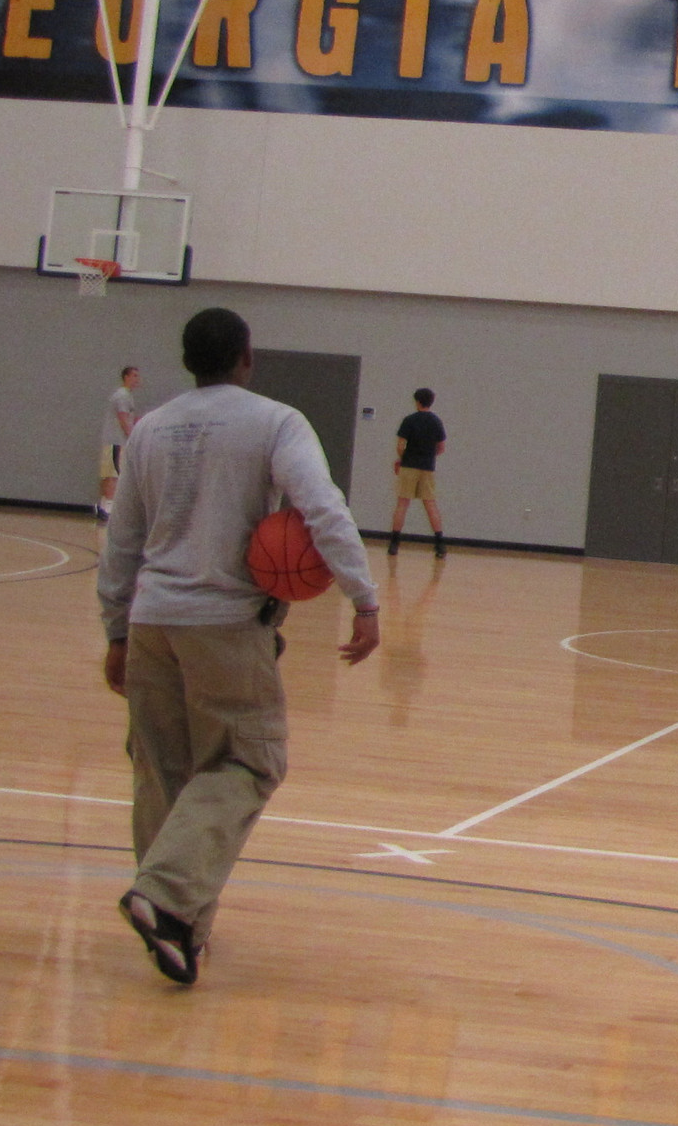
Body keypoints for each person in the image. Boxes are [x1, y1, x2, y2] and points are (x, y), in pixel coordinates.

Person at [98, 307, 378, 986]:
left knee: (163, 771)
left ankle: (180, 931)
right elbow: (322, 507)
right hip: (224, 621)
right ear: (246, 358)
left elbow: (122, 539)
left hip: (154, 620)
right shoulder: (275, 420)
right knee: (249, 761)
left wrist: (115, 628)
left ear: (189, 359)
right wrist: (362, 595)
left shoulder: (151, 428)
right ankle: (165, 895)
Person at [388, 388, 447, 558]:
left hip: (409, 466)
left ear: (417, 401)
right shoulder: (436, 421)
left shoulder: (409, 420)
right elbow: (441, 448)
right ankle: (440, 545)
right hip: (427, 467)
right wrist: (428, 455)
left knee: (402, 504)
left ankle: (394, 544)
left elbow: (400, 446)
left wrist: (402, 458)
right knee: (430, 504)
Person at [98, 365, 141, 522]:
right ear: (126, 377)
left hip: (114, 441)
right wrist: (132, 437)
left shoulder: (126, 396)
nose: (137, 379)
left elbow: (131, 418)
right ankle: (107, 508)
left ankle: (104, 506)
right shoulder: (122, 396)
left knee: (111, 473)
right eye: (134, 375)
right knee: (112, 474)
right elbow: (123, 419)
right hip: (116, 441)